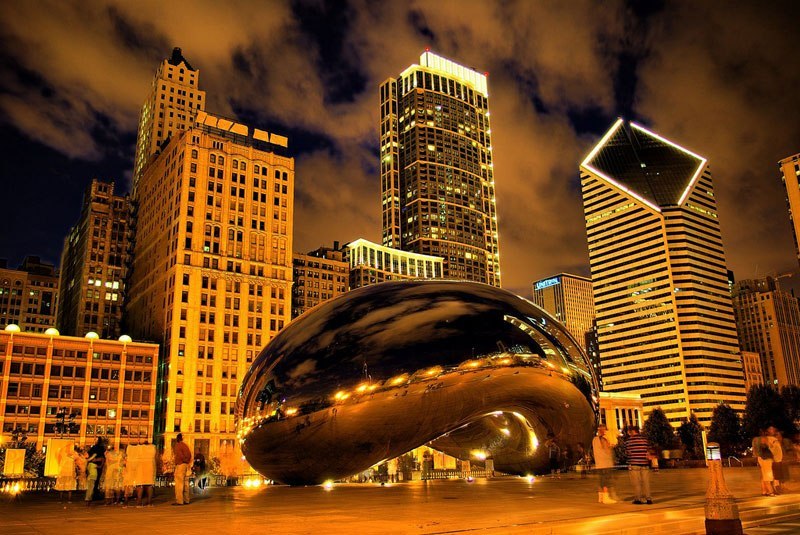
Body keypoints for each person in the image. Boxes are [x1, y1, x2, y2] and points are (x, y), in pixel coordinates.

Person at [625, 425, 652, 505]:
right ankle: (648, 499)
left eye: (629, 432)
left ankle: (638, 499)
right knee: (646, 482)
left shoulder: (628, 441)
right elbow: (648, 452)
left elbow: (627, 453)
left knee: (636, 482)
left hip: (634, 464)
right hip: (644, 464)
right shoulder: (645, 440)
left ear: (632, 431)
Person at [592, 425, 616, 504]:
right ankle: (606, 498)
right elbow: (606, 449)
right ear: (602, 430)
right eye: (605, 430)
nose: (605, 431)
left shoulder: (594, 439)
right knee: (606, 481)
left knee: (600, 481)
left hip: (598, 463)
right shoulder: (603, 438)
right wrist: (611, 446)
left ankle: (600, 497)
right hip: (606, 463)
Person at [753, 428, 775, 496]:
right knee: (767, 475)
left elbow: (755, 451)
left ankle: (764, 491)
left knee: (763, 475)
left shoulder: (755, 440)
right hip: (765, 458)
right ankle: (770, 491)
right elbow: (768, 447)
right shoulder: (763, 440)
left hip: (761, 458)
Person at [173, 433, 192, 505]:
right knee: (186, 483)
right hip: (186, 465)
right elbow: (189, 455)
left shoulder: (178, 445)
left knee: (179, 483)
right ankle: (186, 500)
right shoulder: (185, 445)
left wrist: (182, 460)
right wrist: (186, 461)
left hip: (180, 464)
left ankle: (179, 501)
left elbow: (179, 455)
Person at [85, 437, 106, 505]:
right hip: (93, 466)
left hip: (95, 466)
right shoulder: (95, 448)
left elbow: (102, 458)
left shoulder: (98, 448)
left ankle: (91, 496)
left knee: (93, 482)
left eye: (96, 439)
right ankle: (92, 496)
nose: (95, 440)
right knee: (93, 482)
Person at [767, 427, 784, 494]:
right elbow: (771, 449)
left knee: (777, 475)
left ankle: (776, 488)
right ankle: (775, 488)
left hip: (778, 459)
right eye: (771, 429)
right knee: (775, 475)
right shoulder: (770, 439)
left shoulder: (775, 440)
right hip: (775, 460)